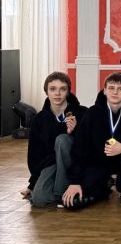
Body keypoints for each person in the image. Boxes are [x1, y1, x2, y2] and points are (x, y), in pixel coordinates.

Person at [62, 73, 121, 209]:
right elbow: (80, 147)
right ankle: (104, 188)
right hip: (99, 162)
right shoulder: (92, 113)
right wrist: (75, 181)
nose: (115, 92)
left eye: (120, 89)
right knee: (74, 203)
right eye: (111, 88)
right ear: (104, 91)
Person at [26, 72, 86, 207]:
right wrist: (33, 183)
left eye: (62, 89)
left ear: (68, 91)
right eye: (52, 89)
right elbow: (34, 155)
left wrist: (74, 132)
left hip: (75, 162)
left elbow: (87, 146)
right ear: (46, 91)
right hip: (51, 163)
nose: (57, 93)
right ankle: (64, 194)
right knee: (39, 199)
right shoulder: (39, 119)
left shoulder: (82, 113)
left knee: (62, 139)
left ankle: (61, 193)